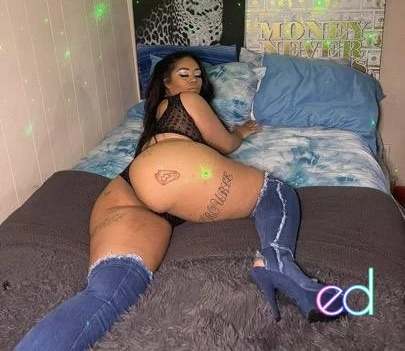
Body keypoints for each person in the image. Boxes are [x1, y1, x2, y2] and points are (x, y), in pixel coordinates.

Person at [16, 52, 343, 350]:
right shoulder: (187, 100)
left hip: (124, 191)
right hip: (175, 173)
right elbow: (226, 144)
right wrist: (239, 133)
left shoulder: (154, 124)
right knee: (275, 192)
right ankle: (276, 260)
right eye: (184, 74)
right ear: (166, 83)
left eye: (199, 75)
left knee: (104, 294)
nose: (194, 81)